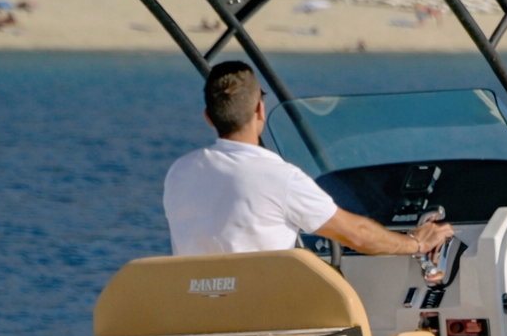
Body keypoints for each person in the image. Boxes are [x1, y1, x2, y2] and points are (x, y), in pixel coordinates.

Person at [164, 62, 453, 257]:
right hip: (263, 318)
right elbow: (358, 235)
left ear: (208, 117)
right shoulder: (279, 178)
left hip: (195, 316)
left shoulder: (179, 172)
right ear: (260, 111)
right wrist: (415, 243)